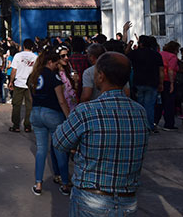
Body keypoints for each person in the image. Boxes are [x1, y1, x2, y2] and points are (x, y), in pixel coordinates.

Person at [54, 52, 151, 216]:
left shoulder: (87, 111)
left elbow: (59, 141)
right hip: (127, 201)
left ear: (101, 76)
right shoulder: (140, 112)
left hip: (91, 199)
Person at [27, 50, 71, 196]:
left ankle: (38, 183)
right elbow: (61, 100)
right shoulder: (53, 77)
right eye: (56, 63)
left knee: (41, 149)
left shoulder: (32, 77)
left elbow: (31, 99)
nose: (58, 66)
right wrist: (69, 118)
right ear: (50, 62)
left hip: (36, 112)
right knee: (59, 149)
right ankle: (65, 183)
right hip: (52, 113)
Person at [127, 35, 164, 132]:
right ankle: (150, 125)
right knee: (150, 105)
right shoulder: (156, 55)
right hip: (152, 82)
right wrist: (161, 83)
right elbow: (161, 70)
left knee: (139, 104)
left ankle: (140, 125)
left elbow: (125, 55)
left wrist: (129, 45)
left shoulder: (135, 53)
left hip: (138, 81)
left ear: (141, 44)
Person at [155, 41, 180, 131]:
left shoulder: (160, 54)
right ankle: (169, 124)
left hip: (159, 80)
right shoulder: (172, 57)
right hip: (168, 80)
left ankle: (155, 121)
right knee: (169, 103)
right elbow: (171, 70)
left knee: (159, 103)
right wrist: (172, 83)